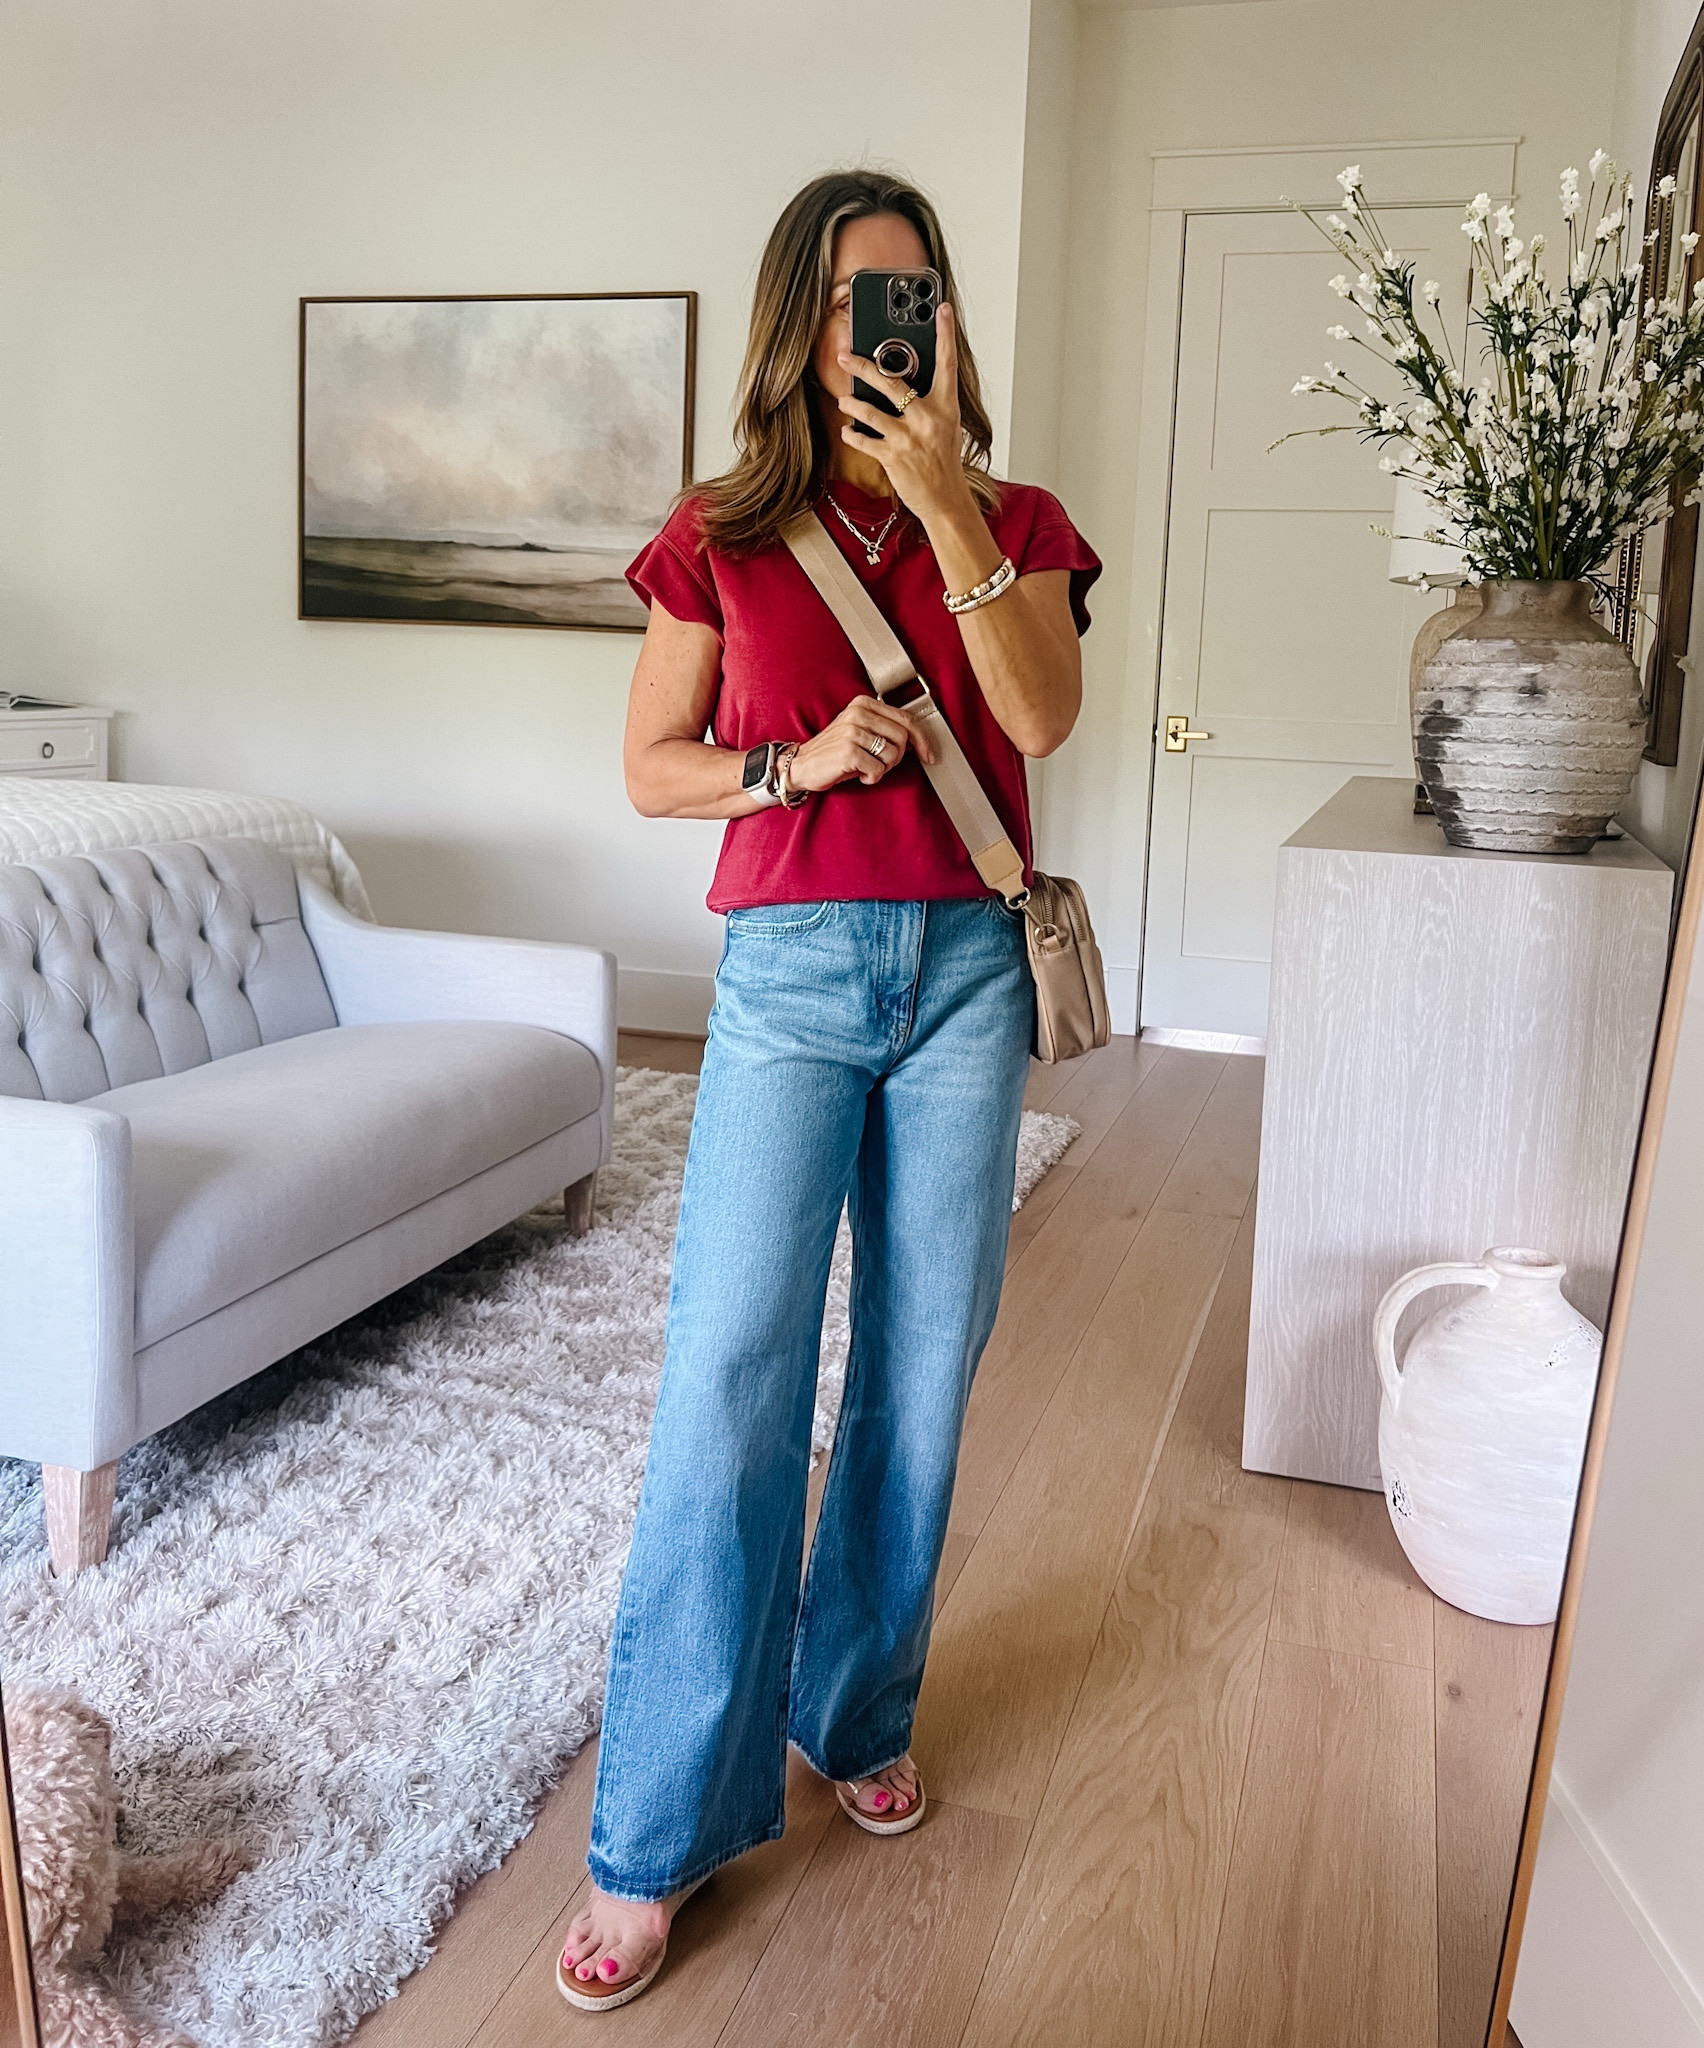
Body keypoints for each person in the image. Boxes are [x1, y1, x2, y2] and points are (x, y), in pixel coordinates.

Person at [558, 167, 1100, 2012]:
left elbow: (1036, 724)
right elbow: (652, 766)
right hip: (790, 977)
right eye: (863, 298)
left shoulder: (1016, 517)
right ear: (796, 323)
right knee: (730, 1364)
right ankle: (656, 1836)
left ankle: (855, 1696)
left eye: (921, 296)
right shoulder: (721, 532)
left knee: (924, 1366)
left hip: (965, 977)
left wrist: (950, 505)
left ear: (947, 327)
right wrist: (791, 765)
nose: (896, 326)